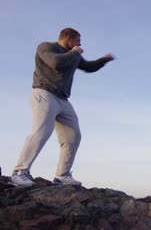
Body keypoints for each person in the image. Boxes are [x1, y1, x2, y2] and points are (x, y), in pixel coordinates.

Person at [10, 28, 115, 187]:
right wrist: (75, 52)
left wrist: (104, 60)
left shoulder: (73, 56)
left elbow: (88, 67)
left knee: (73, 136)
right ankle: (20, 172)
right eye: (78, 40)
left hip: (63, 99)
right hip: (44, 93)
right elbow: (55, 62)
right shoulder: (46, 47)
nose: (80, 44)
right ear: (68, 38)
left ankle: (62, 175)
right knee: (42, 131)